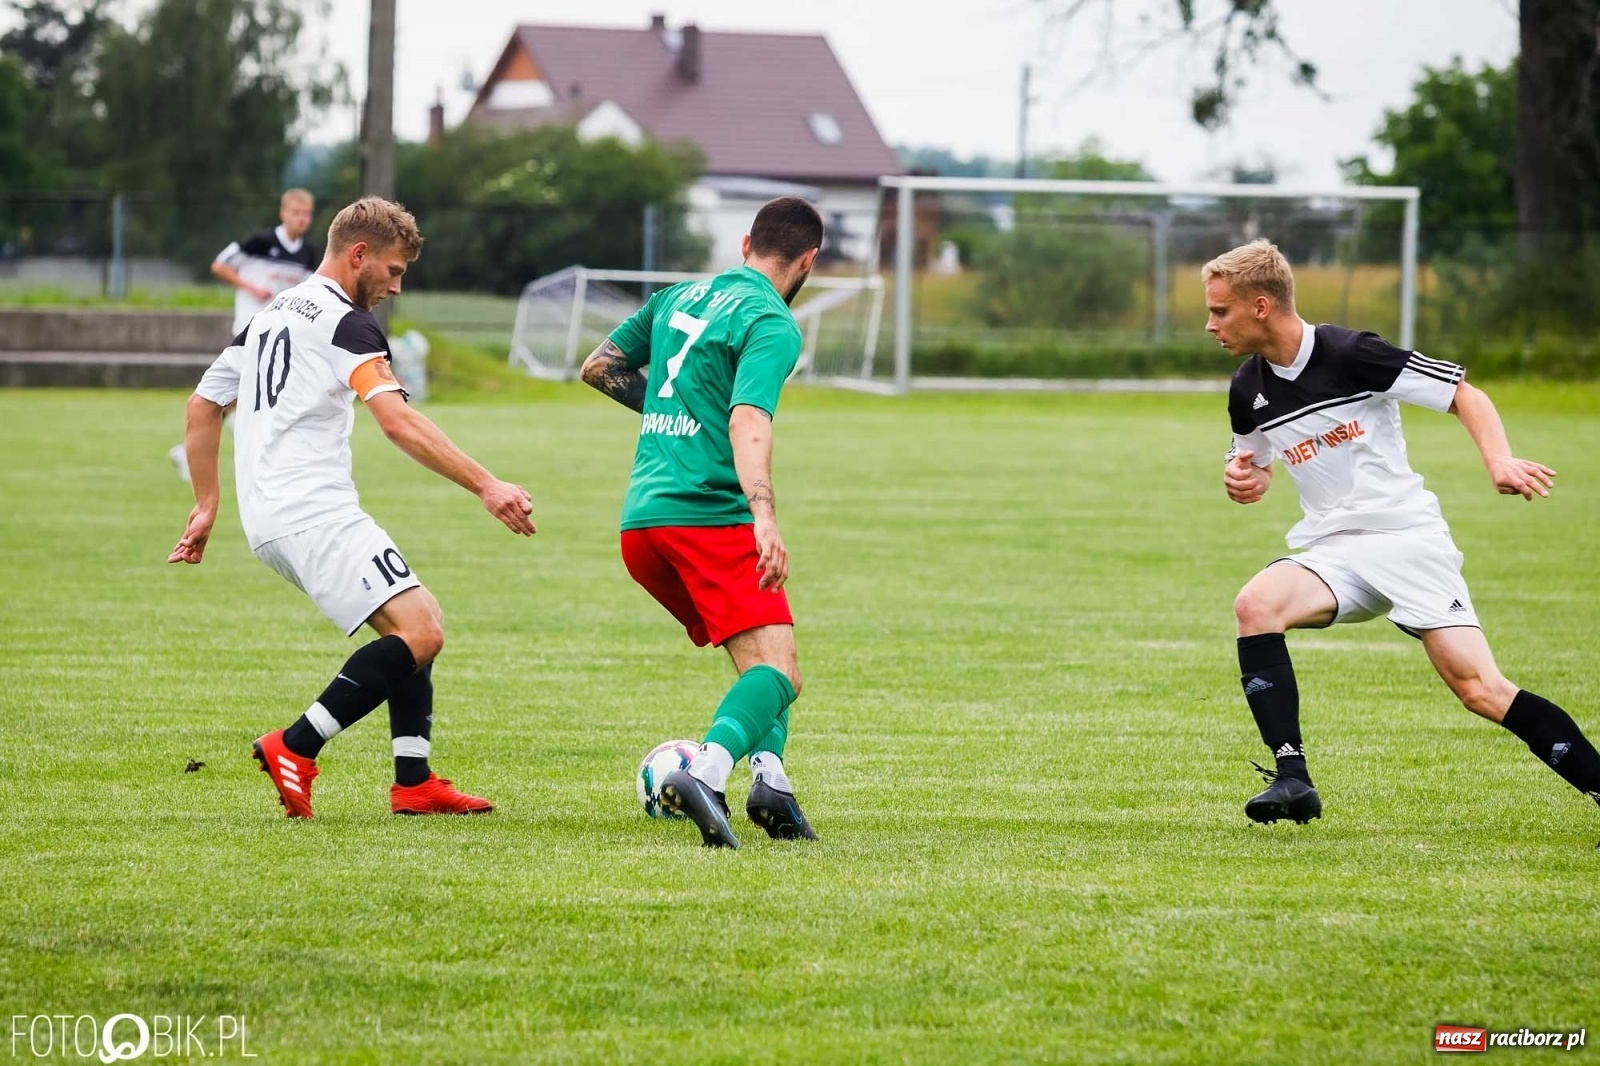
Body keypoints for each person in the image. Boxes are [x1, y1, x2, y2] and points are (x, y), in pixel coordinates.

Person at [1207, 238, 1600, 831]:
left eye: (1220, 311)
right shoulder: (1247, 388)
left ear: (1260, 306)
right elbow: (1253, 463)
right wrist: (1243, 478)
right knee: (1256, 605)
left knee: (1480, 690)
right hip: (1336, 551)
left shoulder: (1352, 353)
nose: (1210, 324)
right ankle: (1293, 778)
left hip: (1405, 540)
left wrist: (1499, 460)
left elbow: (1464, 394)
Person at [168, 196, 535, 819]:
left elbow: (202, 405)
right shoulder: (347, 324)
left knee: (417, 619)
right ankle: (295, 745)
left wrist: (207, 505)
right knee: (421, 631)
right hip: (311, 510)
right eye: (393, 271)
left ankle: (414, 781)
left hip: (274, 516)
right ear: (359, 254)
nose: (396, 286)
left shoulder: (272, 313)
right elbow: (397, 422)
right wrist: (486, 485)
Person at [580, 196, 823, 849]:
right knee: (781, 673)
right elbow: (748, 420)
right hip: (707, 517)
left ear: (745, 244)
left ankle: (772, 786)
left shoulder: (676, 297)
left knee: (762, 664)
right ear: (808, 261)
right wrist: (764, 514)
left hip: (643, 525)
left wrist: (683, 416)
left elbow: (598, 367)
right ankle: (706, 773)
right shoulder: (770, 321)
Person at [170, 189, 320, 482]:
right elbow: (219, 265)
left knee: (247, 394)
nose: (301, 219)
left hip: (281, 333)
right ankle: (197, 449)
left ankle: (196, 448)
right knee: (252, 392)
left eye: (306, 214)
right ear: (283, 213)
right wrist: (251, 288)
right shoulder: (259, 242)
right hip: (249, 329)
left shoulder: (309, 253)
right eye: (296, 213)